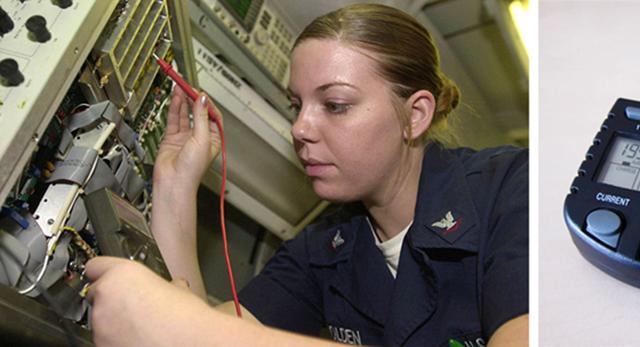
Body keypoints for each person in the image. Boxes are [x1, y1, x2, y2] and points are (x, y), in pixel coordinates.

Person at [84, 4, 528, 346]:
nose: (299, 128)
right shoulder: (321, 249)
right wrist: (175, 185)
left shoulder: (510, 189)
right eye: (297, 106)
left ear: (415, 116)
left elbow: (202, 335)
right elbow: (201, 333)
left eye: (335, 105)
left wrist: (195, 332)